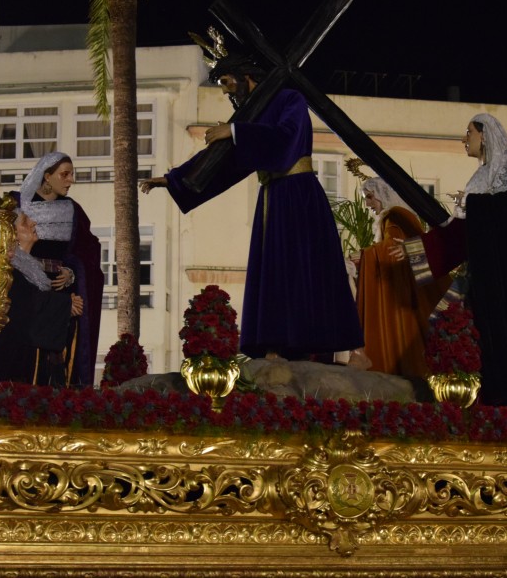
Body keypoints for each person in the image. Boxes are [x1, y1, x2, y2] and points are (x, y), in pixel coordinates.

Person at [140, 50, 362, 361]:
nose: (226, 91)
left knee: (302, 268)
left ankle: (312, 342)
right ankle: (275, 343)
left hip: (299, 197)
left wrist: (234, 132)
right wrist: (172, 179)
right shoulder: (251, 117)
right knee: (274, 269)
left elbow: (287, 139)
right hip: (273, 196)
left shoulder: (290, 100)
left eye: (227, 82)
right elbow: (223, 164)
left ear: (247, 77)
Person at [394, 115, 507, 441]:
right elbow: (464, 235)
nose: (465, 140)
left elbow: (469, 235)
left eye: (469, 133)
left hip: (503, 290)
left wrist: (417, 250)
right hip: (490, 284)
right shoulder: (484, 182)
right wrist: (416, 250)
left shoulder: (501, 184)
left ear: (485, 136)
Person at [15, 152, 103, 387]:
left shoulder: (74, 211)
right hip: (26, 289)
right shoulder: (17, 204)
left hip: (62, 291)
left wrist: (72, 272)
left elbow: (90, 251)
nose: (70, 180)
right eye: (64, 174)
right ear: (47, 176)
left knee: (61, 356)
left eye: (71, 174)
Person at [354, 177, 449, 378]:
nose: (367, 204)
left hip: (402, 291)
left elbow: (393, 247)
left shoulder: (395, 215)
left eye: (370, 197)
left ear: (383, 194)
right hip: (402, 286)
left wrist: (363, 255)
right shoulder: (396, 216)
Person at [0, 214, 84, 384]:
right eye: (25, 222)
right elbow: (22, 301)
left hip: (32, 353)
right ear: (12, 234)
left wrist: (65, 303)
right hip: (12, 352)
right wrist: (64, 304)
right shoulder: (5, 267)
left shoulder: (31, 268)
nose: (33, 223)